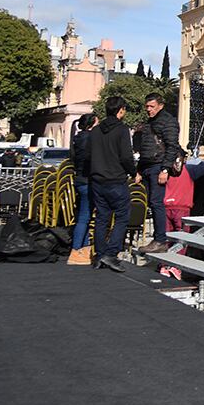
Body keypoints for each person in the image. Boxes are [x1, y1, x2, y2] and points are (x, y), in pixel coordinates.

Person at [89, 96, 136, 273]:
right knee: (122, 216)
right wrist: (133, 172)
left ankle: (100, 254)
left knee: (102, 218)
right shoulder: (122, 130)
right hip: (116, 179)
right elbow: (126, 156)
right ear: (121, 110)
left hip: (97, 180)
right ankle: (111, 252)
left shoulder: (95, 131)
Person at [134, 92, 180, 253]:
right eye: (147, 106)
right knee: (151, 203)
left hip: (158, 166)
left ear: (160, 106)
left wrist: (165, 169)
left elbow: (172, 146)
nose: (148, 109)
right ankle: (157, 238)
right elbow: (145, 147)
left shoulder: (168, 122)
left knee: (156, 202)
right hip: (147, 166)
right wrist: (139, 170)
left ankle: (160, 239)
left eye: (151, 106)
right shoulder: (150, 122)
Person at [66, 113, 97, 266]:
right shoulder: (89, 139)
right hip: (87, 181)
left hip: (80, 179)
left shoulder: (78, 138)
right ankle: (77, 249)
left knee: (84, 215)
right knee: (84, 217)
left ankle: (84, 247)